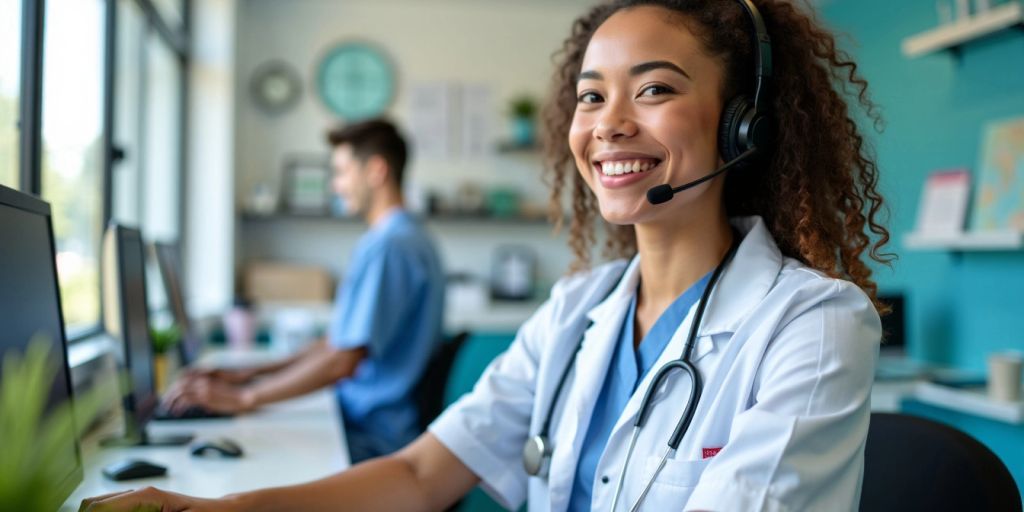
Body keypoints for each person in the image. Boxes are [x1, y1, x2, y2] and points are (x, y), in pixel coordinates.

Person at [82, 0, 893, 510]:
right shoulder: (579, 310)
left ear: (740, 123)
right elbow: (418, 477)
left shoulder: (814, 324)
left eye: (653, 89)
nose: (607, 123)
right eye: (590, 94)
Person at [161, 119, 446, 463]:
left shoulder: (391, 246)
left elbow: (342, 361)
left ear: (376, 170)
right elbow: (336, 344)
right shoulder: (409, 236)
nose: (335, 186)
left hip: (372, 436)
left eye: (341, 172)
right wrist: (251, 376)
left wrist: (244, 399)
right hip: (367, 424)